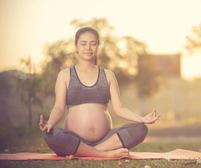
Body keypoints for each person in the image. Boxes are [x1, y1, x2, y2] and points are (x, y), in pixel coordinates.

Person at [39, 27, 160, 159]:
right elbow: (58, 107)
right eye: (83, 43)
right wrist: (50, 123)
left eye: (93, 43)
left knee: (141, 129)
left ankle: (89, 152)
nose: (88, 47)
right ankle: (104, 154)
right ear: (76, 47)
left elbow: (120, 109)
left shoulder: (108, 75)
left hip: (105, 140)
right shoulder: (65, 75)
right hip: (74, 139)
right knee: (50, 135)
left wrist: (142, 119)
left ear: (98, 46)